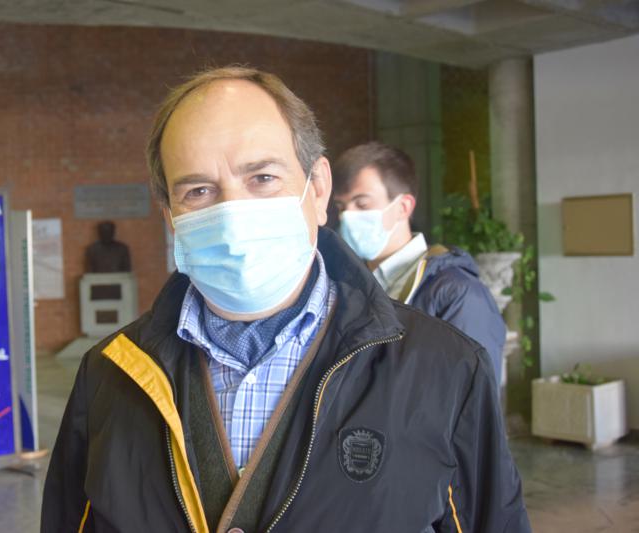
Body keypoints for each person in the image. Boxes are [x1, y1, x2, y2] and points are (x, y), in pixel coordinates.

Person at [41, 67, 530, 533]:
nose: (233, 215)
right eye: (199, 190)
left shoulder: (445, 368)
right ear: (170, 216)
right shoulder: (108, 377)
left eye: (263, 178)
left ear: (317, 191)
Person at [333, 142, 507, 387]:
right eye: (341, 207)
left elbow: (474, 395)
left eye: (362, 204)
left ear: (403, 207)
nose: (347, 217)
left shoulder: (458, 293)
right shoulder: (345, 287)